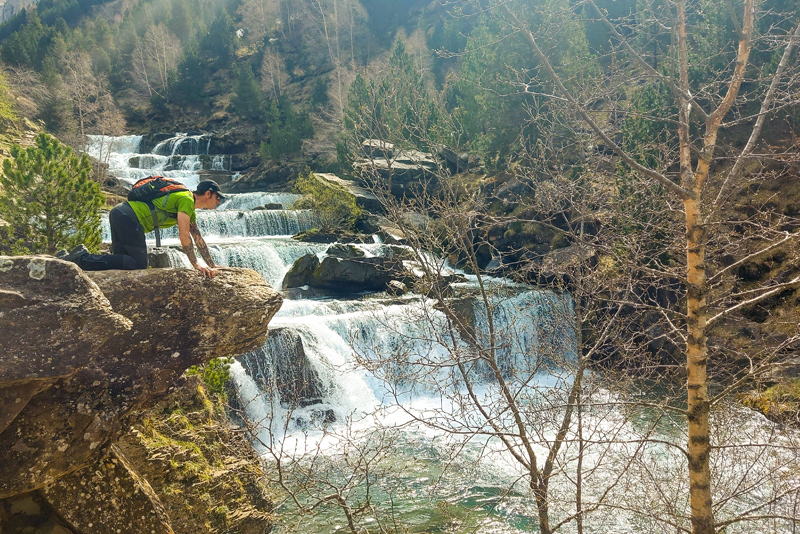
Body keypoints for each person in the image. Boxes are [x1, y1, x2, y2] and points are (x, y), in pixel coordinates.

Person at [61, 180, 225, 278]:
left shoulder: (189, 207)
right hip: (129, 218)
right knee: (138, 264)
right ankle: (81, 258)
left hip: (120, 213)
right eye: (218, 198)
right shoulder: (185, 199)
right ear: (208, 194)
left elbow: (197, 238)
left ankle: (67, 259)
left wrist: (211, 264)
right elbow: (184, 236)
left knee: (121, 263)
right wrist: (196, 264)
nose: (218, 202)